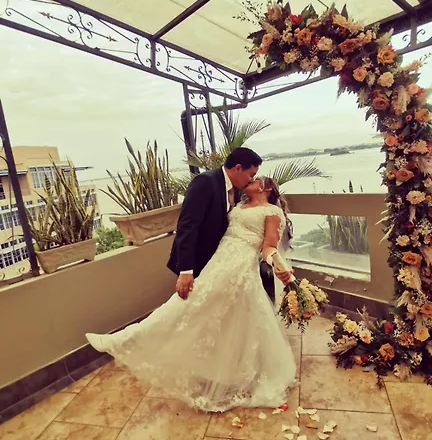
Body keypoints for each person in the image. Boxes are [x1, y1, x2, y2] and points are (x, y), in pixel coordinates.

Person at [86, 176, 296, 412]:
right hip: (218, 261)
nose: (251, 179)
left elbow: (268, 247)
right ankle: (224, 369)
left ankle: (126, 338)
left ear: (265, 188)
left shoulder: (272, 212)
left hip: (239, 268)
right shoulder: (239, 204)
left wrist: (278, 265)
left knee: (191, 306)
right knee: (223, 318)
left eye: (256, 179)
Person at [167, 147, 292, 301]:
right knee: (195, 304)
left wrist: (277, 264)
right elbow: (187, 225)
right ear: (238, 168)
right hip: (197, 260)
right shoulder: (205, 182)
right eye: (251, 174)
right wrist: (186, 270)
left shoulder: (239, 192)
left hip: (229, 264)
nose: (251, 180)